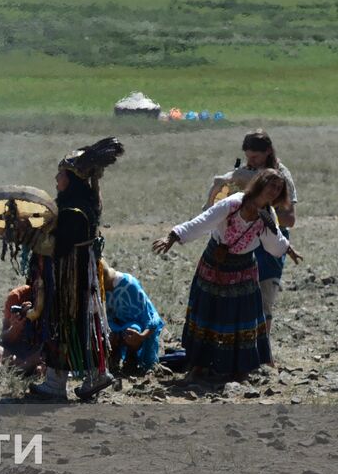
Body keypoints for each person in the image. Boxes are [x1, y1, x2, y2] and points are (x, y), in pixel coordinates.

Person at [154, 169, 300, 384]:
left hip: (244, 270)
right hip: (214, 265)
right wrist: (173, 236)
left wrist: (288, 249)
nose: (274, 190)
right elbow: (204, 221)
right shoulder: (234, 203)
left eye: (278, 188)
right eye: (271, 185)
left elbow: (274, 243)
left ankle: (240, 370)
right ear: (260, 184)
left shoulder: (268, 215)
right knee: (209, 312)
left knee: (242, 318)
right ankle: (199, 367)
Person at [17, 137, 124, 401]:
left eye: (61, 174)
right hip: (78, 277)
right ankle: (90, 375)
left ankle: (59, 383)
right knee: (76, 324)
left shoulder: (73, 211)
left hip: (68, 279)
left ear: (72, 178)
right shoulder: (82, 204)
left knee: (62, 323)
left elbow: (58, 247)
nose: (56, 179)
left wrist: (26, 235)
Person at [205, 130, 298, 321]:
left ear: (268, 152)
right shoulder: (243, 172)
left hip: (270, 243)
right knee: (233, 299)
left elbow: (289, 219)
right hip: (240, 243)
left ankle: (263, 349)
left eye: (255, 157)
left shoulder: (280, 177)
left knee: (263, 303)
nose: (252, 161)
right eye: (248, 157)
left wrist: (263, 204)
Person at [100, 263, 164, 375]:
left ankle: (131, 359)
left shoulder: (130, 285)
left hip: (134, 327)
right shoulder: (100, 290)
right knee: (108, 332)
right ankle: (113, 358)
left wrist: (142, 336)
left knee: (131, 332)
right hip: (113, 325)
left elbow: (151, 317)